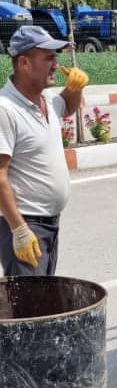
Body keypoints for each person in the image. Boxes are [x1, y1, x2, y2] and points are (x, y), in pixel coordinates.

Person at [0, 25, 88, 276]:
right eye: (48, 57)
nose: (55, 64)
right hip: (26, 225)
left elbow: (68, 107)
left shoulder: (45, 99)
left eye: (56, 57)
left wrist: (75, 88)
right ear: (25, 63)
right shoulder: (5, 109)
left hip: (49, 223)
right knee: (29, 308)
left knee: (43, 303)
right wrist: (19, 230)